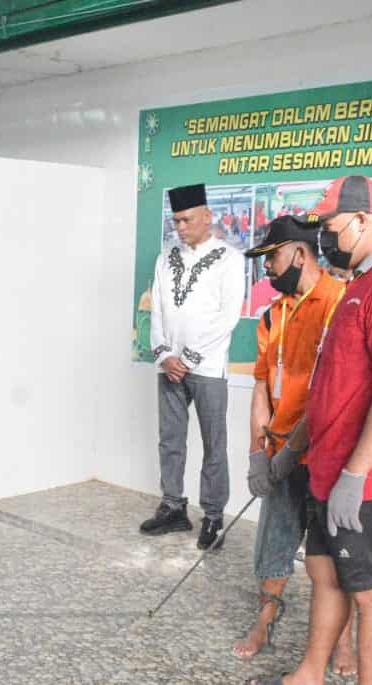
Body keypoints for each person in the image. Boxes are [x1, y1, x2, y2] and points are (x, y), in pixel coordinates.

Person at [247, 175, 372, 685]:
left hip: (367, 478)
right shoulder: (359, 283)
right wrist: (292, 452)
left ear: (362, 221)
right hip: (327, 468)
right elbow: (333, 389)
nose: (324, 236)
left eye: (329, 226)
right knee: (325, 573)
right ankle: (309, 678)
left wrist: (356, 474)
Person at [237, 217, 353, 666]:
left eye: (272, 257)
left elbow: (333, 389)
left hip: (327, 453)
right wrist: (255, 453)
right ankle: (264, 622)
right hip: (279, 451)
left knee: (334, 553)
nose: (266, 269)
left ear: (300, 255)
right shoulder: (272, 315)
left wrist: (294, 451)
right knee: (273, 542)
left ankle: (343, 641)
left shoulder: (340, 303)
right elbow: (263, 386)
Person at [141, 184, 246, 548]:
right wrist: (163, 355)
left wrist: (189, 358)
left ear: (207, 217)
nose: (180, 228)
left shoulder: (230, 258)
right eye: (176, 221)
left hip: (207, 368)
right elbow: (157, 309)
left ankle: (213, 515)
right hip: (169, 365)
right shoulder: (165, 256)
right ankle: (173, 507)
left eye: (186, 220)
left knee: (213, 444)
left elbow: (228, 316)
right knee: (170, 440)